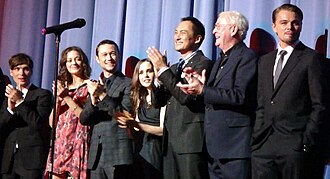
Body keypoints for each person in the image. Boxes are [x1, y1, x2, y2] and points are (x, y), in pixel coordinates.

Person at [177, 11, 257, 179]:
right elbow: (215, 93)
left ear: (234, 29)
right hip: (214, 147)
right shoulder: (220, 59)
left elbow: (239, 95)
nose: (214, 32)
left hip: (234, 148)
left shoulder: (247, 57)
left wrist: (203, 90)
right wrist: (199, 83)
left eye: (218, 27)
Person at [251, 4, 327, 179]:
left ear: (301, 25)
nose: (289, 28)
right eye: (284, 22)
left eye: (295, 23)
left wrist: (306, 141)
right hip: (264, 147)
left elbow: (320, 105)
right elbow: (262, 101)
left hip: (295, 147)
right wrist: (257, 138)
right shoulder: (264, 61)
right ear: (274, 26)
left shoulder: (311, 59)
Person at [147, 16, 212, 179]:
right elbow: (158, 102)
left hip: (190, 142)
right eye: (175, 32)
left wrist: (163, 71)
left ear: (197, 39)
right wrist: (159, 79)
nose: (177, 36)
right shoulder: (173, 68)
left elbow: (186, 97)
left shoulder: (204, 63)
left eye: (183, 32)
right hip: (170, 142)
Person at [80, 39, 133, 179]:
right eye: (104, 55)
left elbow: (124, 113)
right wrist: (92, 100)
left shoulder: (128, 83)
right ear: (97, 59)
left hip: (118, 153)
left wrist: (102, 95)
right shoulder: (95, 84)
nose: (109, 58)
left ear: (118, 55)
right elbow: (84, 119)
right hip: (96, 155)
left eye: (112, 54)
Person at [0, 53, 52, 179]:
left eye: (26, 69)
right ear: (11, 72)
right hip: (9, 160)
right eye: (17, 69)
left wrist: (20, 102)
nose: (21, 73)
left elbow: (38, 124)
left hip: (31, 160)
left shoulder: (42, 94)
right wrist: (10, 110)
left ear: (31, 71)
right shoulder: (7, 95)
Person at [45, 46, 91, 179]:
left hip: (78, 142)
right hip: (60, 143)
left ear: (84, 63)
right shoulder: (63, 87)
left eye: (77, 59)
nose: (73, 63)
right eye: (69, 60)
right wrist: (59, 101)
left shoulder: (90, 86)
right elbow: (52, 123)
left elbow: (85, 117)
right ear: (65, 64)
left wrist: (67, 98)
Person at [116, 59, 166, 179]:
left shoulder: (162, 95)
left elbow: (163, 130)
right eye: (141, 72)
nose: (146, 76)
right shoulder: (138, 96)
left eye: (149, 71)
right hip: (139, 147)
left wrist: (137, 125)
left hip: (155, 149)